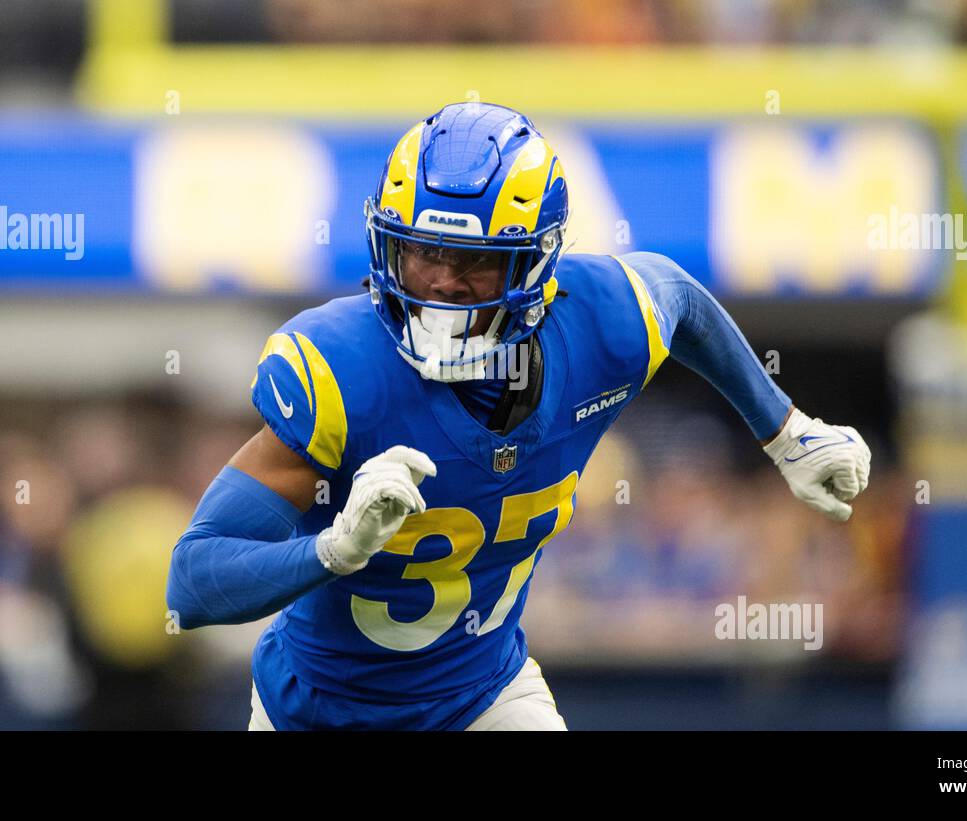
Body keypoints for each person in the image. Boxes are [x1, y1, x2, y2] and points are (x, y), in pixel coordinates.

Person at [165, 102, 871, 730]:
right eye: (421, 252)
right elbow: (192, 582)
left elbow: (680, 298)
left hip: (481, 698)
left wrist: (787, 431)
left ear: (534, 266)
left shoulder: (600, 324)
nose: (441, 282)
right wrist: (334, 549)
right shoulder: (340, 370)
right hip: (313, 711)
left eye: (472, 260)